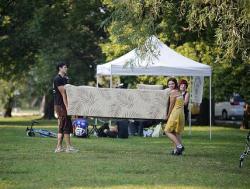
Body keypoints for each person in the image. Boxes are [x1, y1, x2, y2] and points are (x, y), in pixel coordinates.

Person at [53, 62, 78, 153]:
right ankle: (68, 147)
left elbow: (68, 93)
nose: (66, 68)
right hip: (61, 105)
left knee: (62, 126)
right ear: (60, 68)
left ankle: (59, 147)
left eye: (66, 67)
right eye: (64, 67)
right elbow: (63, 94)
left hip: (63, 104)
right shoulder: (57, 79)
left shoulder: (65, 79)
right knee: (66, 125)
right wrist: (67, 107)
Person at [164, 78, 185, 155]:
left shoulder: (172, 92)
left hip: (175, 113)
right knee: (176, 132)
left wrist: (167, 116)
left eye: (172, 83)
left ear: (175, 84)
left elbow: (171, 106)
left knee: (167, 131)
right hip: (181, 113)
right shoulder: (179, 91)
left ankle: (179, 146)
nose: (170, 85)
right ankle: (177, 151)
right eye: (169, 84)